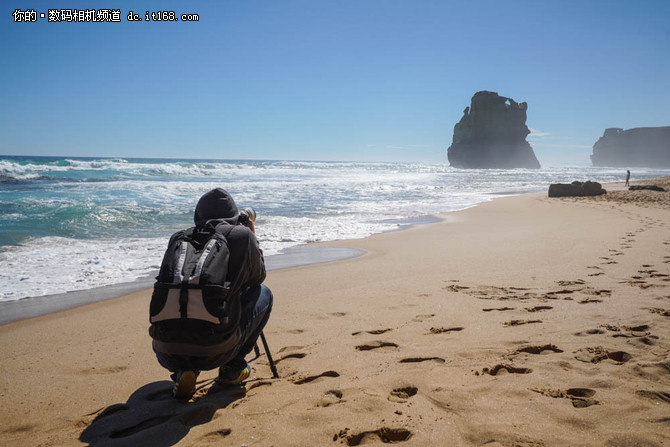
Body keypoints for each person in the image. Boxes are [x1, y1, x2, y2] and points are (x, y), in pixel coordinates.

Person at [150, 188, 273, 399]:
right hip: (215, 351)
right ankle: (232, 368)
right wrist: (251, 235)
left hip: (166, 351)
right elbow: (258, 278)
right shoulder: (241, 236)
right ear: (234, 216)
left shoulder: (179, 238)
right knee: (264, 293)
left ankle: (182, 371)